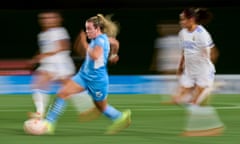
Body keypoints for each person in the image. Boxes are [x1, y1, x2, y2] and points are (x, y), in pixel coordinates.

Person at [42, 13, 131, 135]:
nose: (87, 31)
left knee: (101, 107)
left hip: (97, 81)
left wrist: (84, 42)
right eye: (86, 28)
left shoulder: (100, 41)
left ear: (97, 29)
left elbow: (94, 56)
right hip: (83, 76)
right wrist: (114, 55)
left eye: (89, 28)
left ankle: (120, 117)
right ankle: (48, 123)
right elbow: (115, 42)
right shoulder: (102, 38)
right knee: (62, 93)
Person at [172, 7, 224, 136]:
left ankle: (210, 128)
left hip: (203, 72)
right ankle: (206, 94)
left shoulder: (202, 34)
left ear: (191, 19)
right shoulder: (182, 33)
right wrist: (180, 66)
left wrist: (206, 70)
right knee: (178, 99)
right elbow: (184, 51)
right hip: (189, 72)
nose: (181, 22)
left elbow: (214, 53)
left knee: (194, 103)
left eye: (183, 19)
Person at [28, 10, 76, 119]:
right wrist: (38, 57)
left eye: (50, 18)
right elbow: (45, 49)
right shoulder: (42, 35)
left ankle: (93, 106)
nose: (46, 21)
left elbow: (64, 47)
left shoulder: (59, 31)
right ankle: (40, 113)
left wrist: (42, 56)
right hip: (48, 64)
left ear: (57, 19)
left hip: (60, 64)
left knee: (69, 91)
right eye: (44, 18)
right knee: (37, 84)